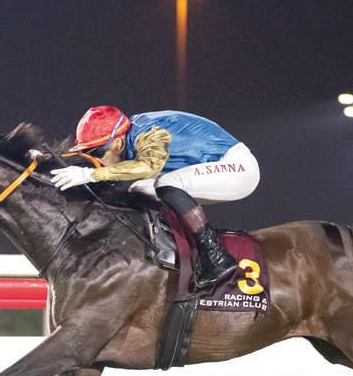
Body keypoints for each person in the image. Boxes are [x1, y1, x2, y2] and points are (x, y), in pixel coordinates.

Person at [50, 106, 260, 292]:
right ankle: (175, 249)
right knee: (139, 188)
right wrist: (43, 160)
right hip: (215, 167)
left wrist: (90, 175)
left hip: (238, 167)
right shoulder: (128, 137)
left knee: (166, 183)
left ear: (116, 142)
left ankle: (216, 257)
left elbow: (150, 166)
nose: (93, 158)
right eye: (87, 152)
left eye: (95, 151)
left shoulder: (149, 133)